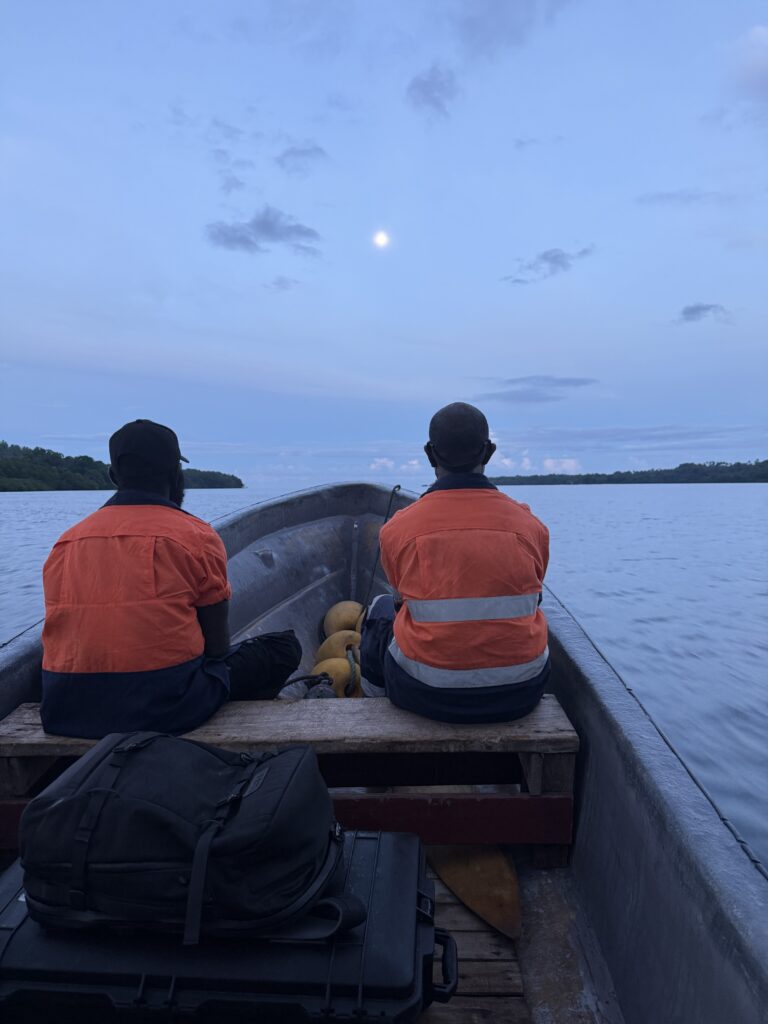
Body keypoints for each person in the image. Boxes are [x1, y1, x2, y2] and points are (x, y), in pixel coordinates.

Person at [40, 419, 301, 738]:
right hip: (166, 709)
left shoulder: (66, 543)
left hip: (65, 710)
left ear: (113, 476)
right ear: (176, 474)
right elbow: (217, 649)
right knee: (283, 648)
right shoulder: (195, 536)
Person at [359, 402, 550, 723]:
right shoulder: (531, 526)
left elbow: (399, 602)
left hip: (423, 692)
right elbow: (536, 597)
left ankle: (370, 707)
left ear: (430, 455)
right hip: (521, 691)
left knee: (379, 610)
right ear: (488, 453)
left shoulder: (398, 529)